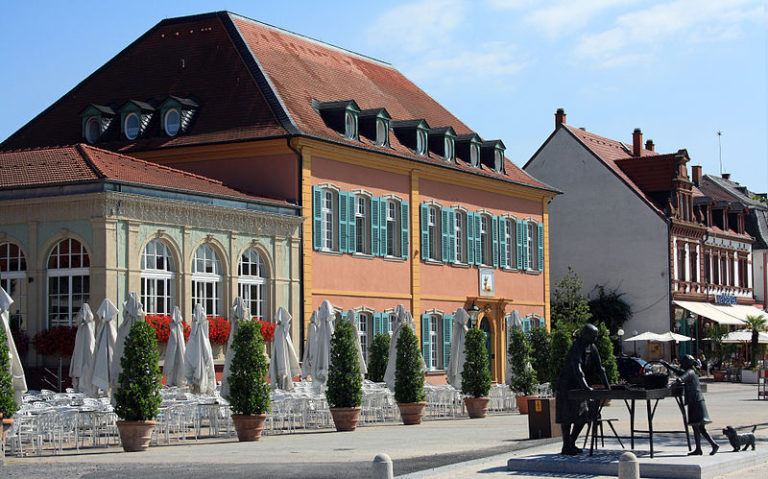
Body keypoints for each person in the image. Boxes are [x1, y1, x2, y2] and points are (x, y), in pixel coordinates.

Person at [555, 323, 611, 455]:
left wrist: (608, 387)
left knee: (584, 416)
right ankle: (566, 446)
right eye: (593, 335)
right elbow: (577, 368)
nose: (595, 338)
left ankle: (571, 443)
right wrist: (586, 387)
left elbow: (600, 368)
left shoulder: (592, 347)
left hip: (579, 385)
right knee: (567, 416)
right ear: (585, 335)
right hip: (566, 385)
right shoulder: (577, 346)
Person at [663, 354, 719, 456]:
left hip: (695, 402)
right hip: (696, 401)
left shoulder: (690, 372)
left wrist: (670, 385)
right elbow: (679, 373)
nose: (681, 364)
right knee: (699, 427)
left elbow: (680, 379)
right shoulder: (691, 371)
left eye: (682, 363)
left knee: (697, 426)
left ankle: (702, 448)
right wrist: (667, 365)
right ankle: (709, 446)